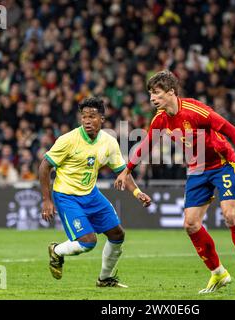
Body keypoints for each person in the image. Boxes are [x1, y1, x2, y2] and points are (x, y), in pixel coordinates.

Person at [115, 70, 235, 295]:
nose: (152, 98)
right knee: (190, 224)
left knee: (230, 215)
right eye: (150, 93)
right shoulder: (160, 119)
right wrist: (127, 170)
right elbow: (146, 144)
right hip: (197, 169)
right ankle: (219, 273)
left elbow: (233, 131)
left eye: (157, 93)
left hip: (222, 164)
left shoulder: (196, 110)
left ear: (171, 92)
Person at [39, 97, 151, 288]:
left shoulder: (109, 142)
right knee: (88, 242)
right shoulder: (68, 140)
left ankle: (105, 279)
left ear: (102, 119)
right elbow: (44, 166)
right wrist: (47, 200)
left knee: (117, 235)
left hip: (91, 194)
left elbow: (122, 171)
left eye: (92, 116)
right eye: (84, 117)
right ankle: (56, 250)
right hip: (67, 196)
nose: (87, 120)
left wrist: (137, 192)